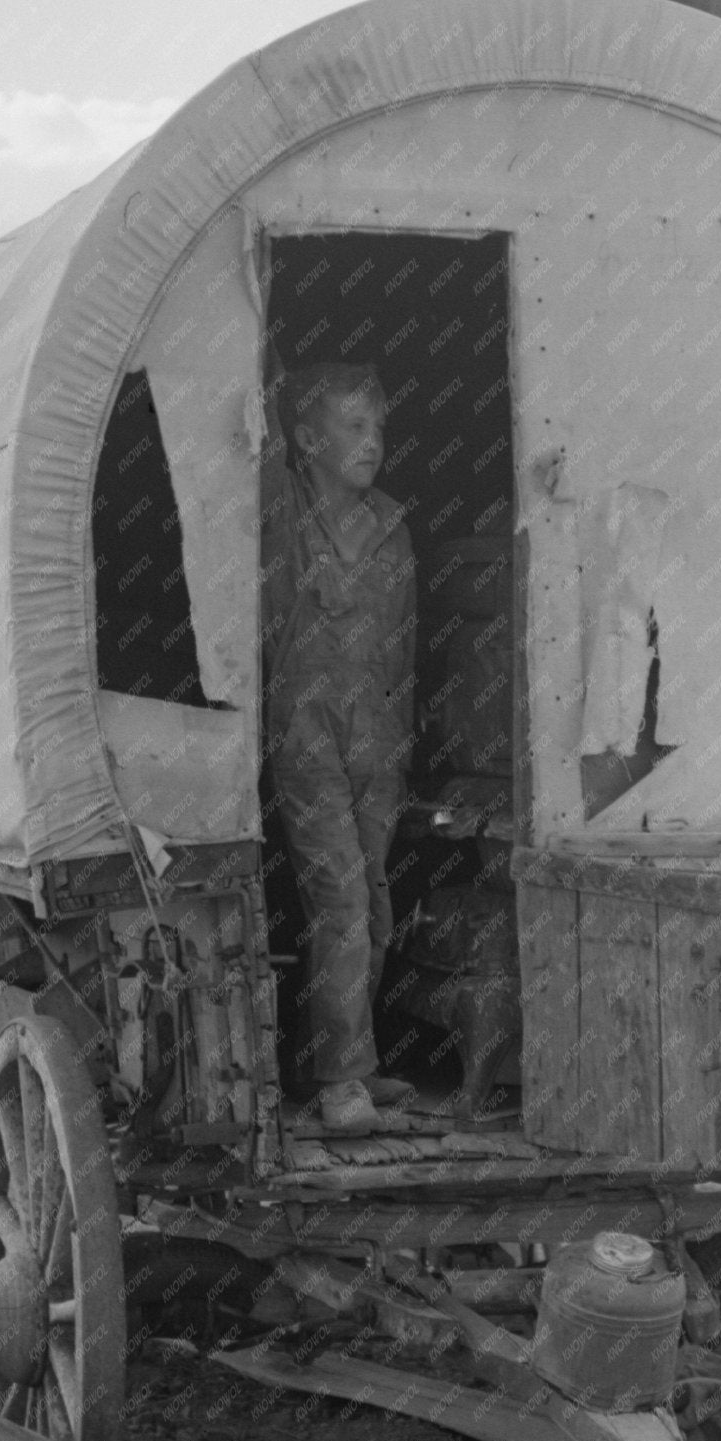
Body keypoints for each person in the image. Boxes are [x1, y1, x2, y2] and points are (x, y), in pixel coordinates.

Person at [261, 362, 417, 1133]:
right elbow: (250, 444)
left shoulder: (393, 524)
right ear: (307, 439)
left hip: (378, 740)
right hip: (308, 735)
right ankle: (339, 1081)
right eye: (352, 427)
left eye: (377, 427)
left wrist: (402, 739)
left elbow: (405, 648)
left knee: (376, 905)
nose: (372, 443)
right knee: (342, 904)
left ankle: (335, 1060)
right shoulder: (285, 518)